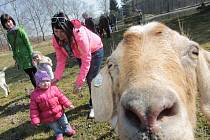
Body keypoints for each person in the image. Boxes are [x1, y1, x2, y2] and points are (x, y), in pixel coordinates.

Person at [51, 12, 104, 118]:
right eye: (56, 31)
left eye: (62, 31)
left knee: (91, 78)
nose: (59, 34)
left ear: (67, 28)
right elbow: (61, 60)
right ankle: (99, 94)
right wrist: (56, 78)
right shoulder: (56, 39)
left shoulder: (79, 35)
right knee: (90, 77)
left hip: (95, 50)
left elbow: (86, 59)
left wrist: (79, 82)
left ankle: (95, 104)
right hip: (80, 55)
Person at [30, 70, 76, 140]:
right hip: (47, 117)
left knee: (64, 122)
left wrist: (68, 104)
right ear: (37, 83)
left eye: (47, 81)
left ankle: (67, 129)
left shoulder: (54, 89)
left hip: (59, 112)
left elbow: (62, 97)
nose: (45, 83)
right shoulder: (35, 95)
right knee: (54, 126)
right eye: (42, 82)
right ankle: (58, 133)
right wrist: (35, 119)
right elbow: (33, 109)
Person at [0, 13, 37, 88]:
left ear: (12, 21)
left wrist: (32, 56)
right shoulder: (8, 35)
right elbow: (13, 47)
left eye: (9, 21)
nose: (8, 23)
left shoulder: (20, 30)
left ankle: (41, 89)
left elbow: (28, 44)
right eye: (6, 22)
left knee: (36, 73)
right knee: (30, 74)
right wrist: (16, 58)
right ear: (4, 25)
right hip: (21, 58)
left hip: (28, 56)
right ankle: (38, 90)